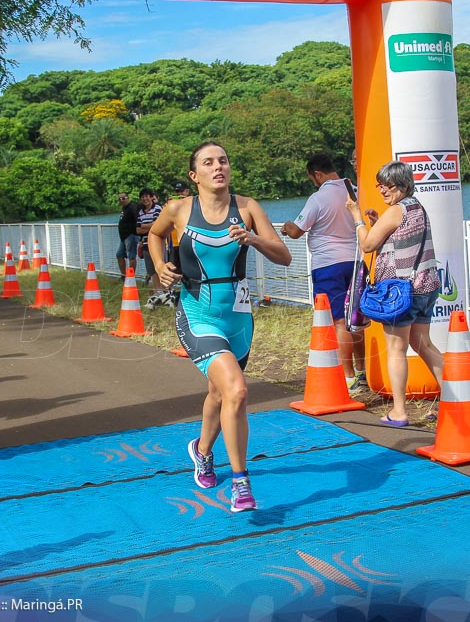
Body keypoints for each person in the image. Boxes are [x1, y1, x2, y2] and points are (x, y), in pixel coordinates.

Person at [148, 142, 291, 512]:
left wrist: (254, 238)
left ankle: (201, 450)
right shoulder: (178, 209)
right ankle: (241, 484)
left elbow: (285, 256)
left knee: (220, 393)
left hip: (239, 317)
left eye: (223, 161)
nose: (218, 167)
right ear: (194, 176)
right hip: (198, 314)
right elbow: (154, 234)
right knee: (238, 391)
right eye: (208, 163)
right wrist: (159, 265)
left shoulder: (248, 208)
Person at [346, 161, 444, 427]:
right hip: (426, 285)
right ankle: (455, 398)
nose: (382, 190)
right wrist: (378, 223)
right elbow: (400, 239)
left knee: (396, 349)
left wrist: (357, 217)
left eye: (387, 185)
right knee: (423, 344)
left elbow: (367, 244)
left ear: (402, 185)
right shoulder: (418, 207)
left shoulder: (396, 211)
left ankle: (399, 411)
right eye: (380, 185)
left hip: (400, 292)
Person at [281, 152, 366, 391]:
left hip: (328, 264)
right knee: (357, 321)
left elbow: (297, 230)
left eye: (312, 178)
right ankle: (362, 370)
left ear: (317, 174)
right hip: (356, 260)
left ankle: (348, 376)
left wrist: (287, 227)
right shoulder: (354, 190)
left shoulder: (318, 198)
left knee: (339, 321)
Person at [134, 187, 167, 306]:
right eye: (142, 196)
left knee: (160, 267)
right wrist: (148, 226)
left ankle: (165, 292)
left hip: (158, 243)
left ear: (151, 197)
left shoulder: (157, 208)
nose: (145, 198)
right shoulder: (140, 212)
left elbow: (157, 225)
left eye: (147, 196)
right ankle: (158, 292)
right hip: (146, 243)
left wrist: (144, 225)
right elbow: (137, 230)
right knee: (151, 270)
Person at [115, 191, 141, 277]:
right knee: (119, 255)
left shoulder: (132, 207)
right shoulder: (124, 208)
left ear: (128, 198)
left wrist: (138, 234)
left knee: (131, 256)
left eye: (123, 198)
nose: (121, 200)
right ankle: (124, 275)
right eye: (119, 199)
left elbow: (138, 220)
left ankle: (131, 277)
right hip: (123, 237)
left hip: (131, 235)